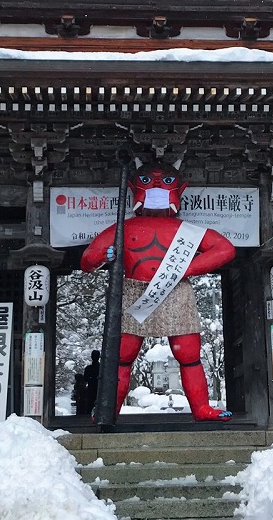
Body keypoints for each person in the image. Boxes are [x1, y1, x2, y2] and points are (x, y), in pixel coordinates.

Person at [81, 163, 235, 421]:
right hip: (133, 290)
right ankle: (109, 410)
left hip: (175, 289)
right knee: (122, 356)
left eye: (165, 182)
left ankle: (202, 408)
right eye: (146, 180)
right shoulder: (124, 227)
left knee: (188, 354)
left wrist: (187, 268)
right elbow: (87, 260)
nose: (155, 187)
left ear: (179, 189)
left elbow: (225, 249)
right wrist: (103, 255)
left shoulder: (185, 231)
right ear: (134, 188)